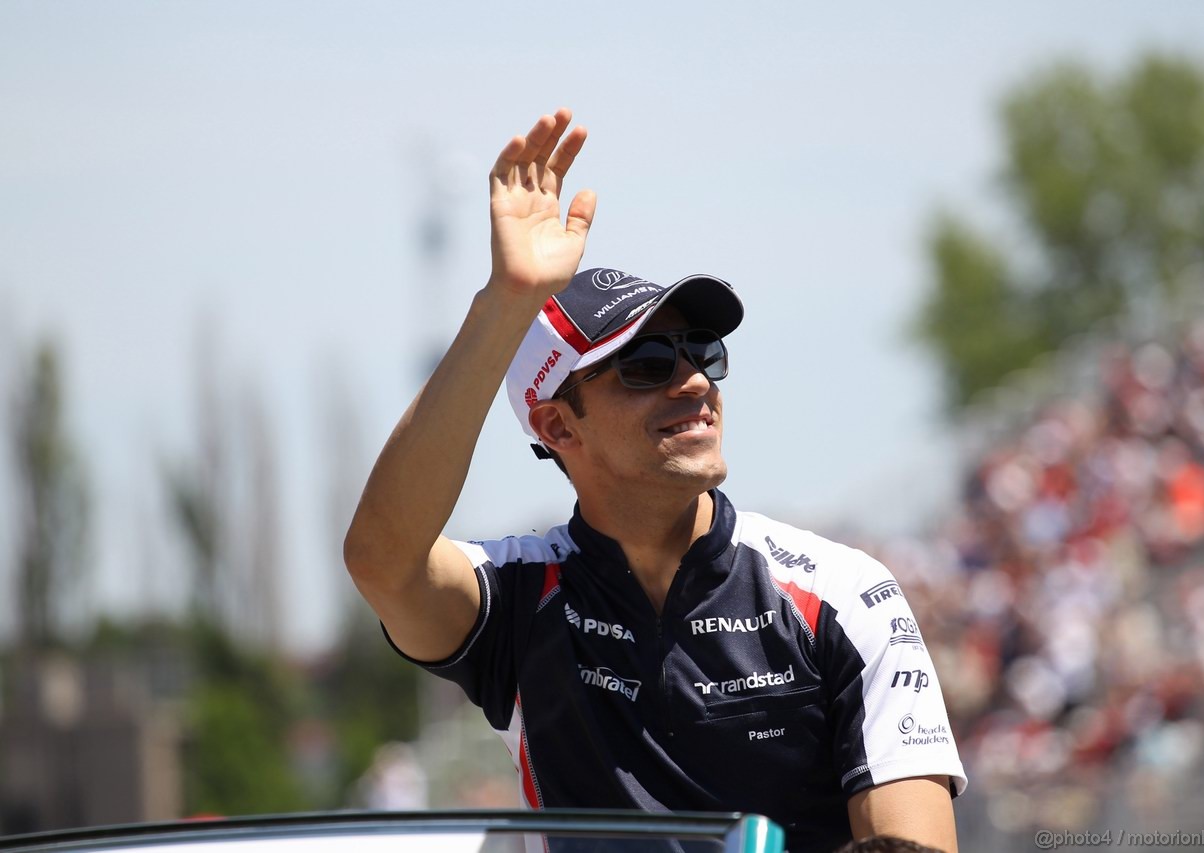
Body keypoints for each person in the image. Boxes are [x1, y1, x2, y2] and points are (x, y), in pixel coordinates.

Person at [344, 108, 967, 853]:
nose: (695, 383)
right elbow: (383, 558)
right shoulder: (521, 597)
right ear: (558, 428)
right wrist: (506, 303)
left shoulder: (844, 593)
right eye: (648, 366)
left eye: (703, 351)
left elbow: (918, 846)